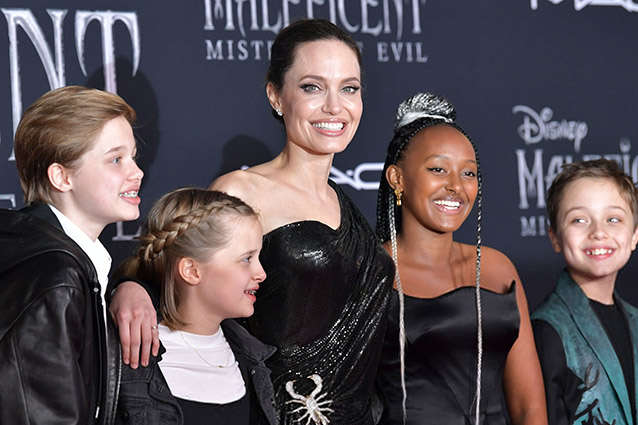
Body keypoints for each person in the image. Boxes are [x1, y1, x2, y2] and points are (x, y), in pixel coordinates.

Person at [109, 19, 394, 425]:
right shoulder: (243, 191)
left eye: (349, 88)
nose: (335, 106)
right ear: (276, 96)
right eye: (312, 87)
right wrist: (131, 288)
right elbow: (180, 273)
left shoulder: (346, 206)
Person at [375, 92, 548, 425]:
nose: (456, 186)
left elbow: (530, 408)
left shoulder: (497, 270)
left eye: (469, 173)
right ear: (397, 179)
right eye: (438, 169)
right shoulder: (370, 271)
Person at [0, 85, 143, 425]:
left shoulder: (47, 259)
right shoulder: (55, 276)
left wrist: (131, 287)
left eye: (133, 156)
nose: (137, 172)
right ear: (61, 176)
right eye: (116, 159)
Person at [114, 188, 276, 425]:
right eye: (246, 259)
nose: (261, 273)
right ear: (191, 271)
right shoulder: (129, 357)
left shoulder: (253, 359)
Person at [532, 159, 638, 425]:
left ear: (635, 235)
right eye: (579, 220)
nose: (599, 232)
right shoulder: (546, 331)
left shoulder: (636, 320)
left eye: (613, 219)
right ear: (555, 237)